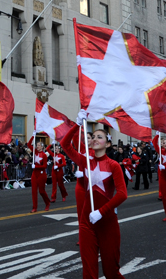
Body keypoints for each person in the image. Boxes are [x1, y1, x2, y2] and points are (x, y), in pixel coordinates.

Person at [60, 119, 128, 279]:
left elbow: (122, 194)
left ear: (108, 144)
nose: (95, 139)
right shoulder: (85, 162)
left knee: (111, 272)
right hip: (87, 223)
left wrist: (101, 212)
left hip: (107, 222)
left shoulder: (113, 165)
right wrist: (77, 125)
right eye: (94, 137)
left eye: (100, 137)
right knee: (89, 273)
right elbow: (65, 145)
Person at [29, 140, 51, 212]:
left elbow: (44, 166)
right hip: (34, 174)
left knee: (41, 191)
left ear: (42, 146)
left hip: (41, 174)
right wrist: (33, 136)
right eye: (37, 145)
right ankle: (34, 207)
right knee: (34, 191)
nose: (37, 146)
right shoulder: (35, 152)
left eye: (38, 145)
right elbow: (29, 144)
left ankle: (47, 203)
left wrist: (35, 166)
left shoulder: (44, 155)